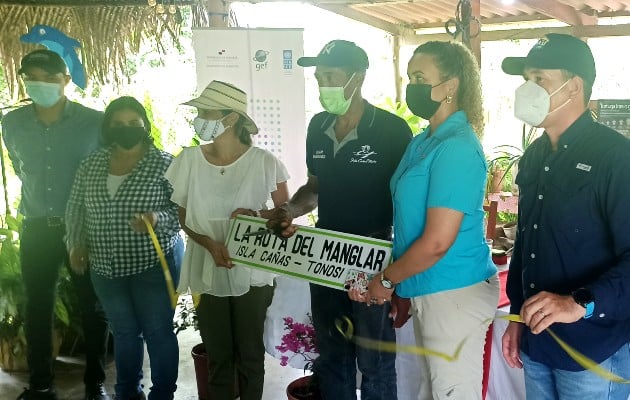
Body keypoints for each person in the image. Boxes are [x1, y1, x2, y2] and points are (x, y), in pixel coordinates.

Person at [350, 40, 500, 400]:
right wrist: (403, 287)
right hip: (429, 287)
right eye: (409, 77)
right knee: (434, 390)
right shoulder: (424, 141)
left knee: (451, 392)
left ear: (450, 86)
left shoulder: (458, 147)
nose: (411, 86)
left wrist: (386, 280)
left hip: (454, 292)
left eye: (420, 77)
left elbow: (436, 242)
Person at [265, 40, 412, 400]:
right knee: (332, 353)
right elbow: (315, 187)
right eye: (319, 78)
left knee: (375, 357)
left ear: (357, 78)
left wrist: (400, 278)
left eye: (332, 76)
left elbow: (408, 203)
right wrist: (288, 210)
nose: (323, 85)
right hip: (325, 255)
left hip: (373, 255)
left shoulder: (392, 131)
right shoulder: (318, 126)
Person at [500, 33, 630, 400]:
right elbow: (526, 245)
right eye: (526, 80)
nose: (528, 89)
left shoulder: (616, 158)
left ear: (574, 87)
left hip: (593, 350)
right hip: (538, 340)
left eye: (540, 80)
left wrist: (578, 302)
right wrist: (515, 318)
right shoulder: (534, 157)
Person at [165, 80, 290, 400]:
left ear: (231, 119)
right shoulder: (188, 160)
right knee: (217, 354)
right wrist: (209, 244)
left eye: (207, 112)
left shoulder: (264, 162)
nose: (199, 119)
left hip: (252, 270)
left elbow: (284, 216)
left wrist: (256, 218)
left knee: (250, 354)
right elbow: (184, 218)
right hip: (207, 267)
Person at [1, 49, 110, 400]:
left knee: (92, 305)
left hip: (83, 228)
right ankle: (41, 385)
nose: (42, 84)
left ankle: (95, 385)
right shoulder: (12, 124)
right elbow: (21, 168)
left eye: (50, 78)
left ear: (66, 80)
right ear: (24, 81)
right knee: (37, 307)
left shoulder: (94, 122)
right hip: (35, 226)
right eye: (33, 77)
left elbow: (108, 171)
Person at [65, 96, 184, 400]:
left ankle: (162, 394)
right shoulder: (92, 162)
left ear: (144, 125)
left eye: (133, 123)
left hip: (153, 266)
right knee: (125, 333)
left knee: (158, 332)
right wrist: (76, 241)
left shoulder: (164, 163)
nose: (126, 128)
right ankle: (127, 393)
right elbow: (76, 206)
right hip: (106, 268)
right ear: (107, 128)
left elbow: (182, 212)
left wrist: (157, 218)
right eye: (118, 124)